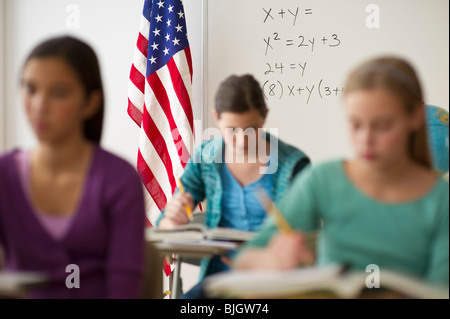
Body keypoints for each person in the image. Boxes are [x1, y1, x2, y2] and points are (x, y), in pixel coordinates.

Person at [233, 56, 449, 288]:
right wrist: (272, 261)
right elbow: (245, 259)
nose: (366, 140)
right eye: (356, 124)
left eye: (382, 125)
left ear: (415, 117)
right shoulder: (323, 180)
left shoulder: (441, 200)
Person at [0, 36, 147, 298]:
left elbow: (123, 287)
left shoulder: (119, 180)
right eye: (30, 89)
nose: (39, 106)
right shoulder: (4, 175)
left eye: (59, 93)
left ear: (90, 103)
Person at [157, 74, 310, 298]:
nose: (242, 140)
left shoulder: (293, 165)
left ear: (264, 117)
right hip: (219, 281)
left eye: (251, 129)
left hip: (275, 284)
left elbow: (309, 241)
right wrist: (172, 220)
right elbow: (164, 224)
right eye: (232, 130)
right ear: (216, 118)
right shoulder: (206, 158)